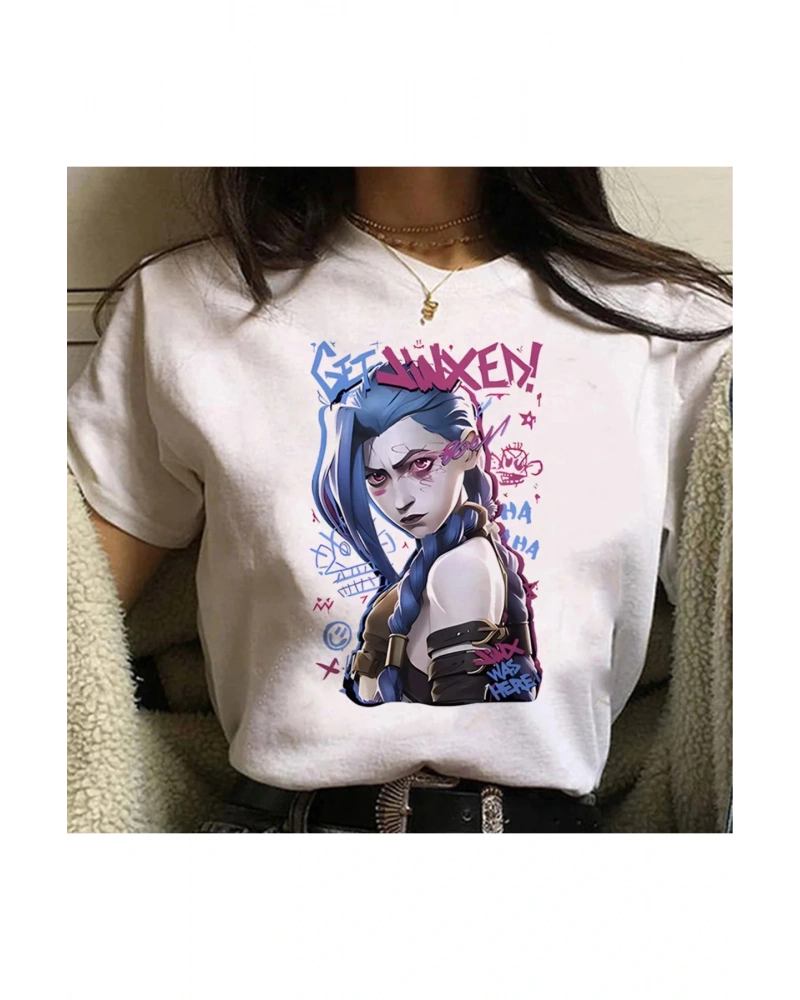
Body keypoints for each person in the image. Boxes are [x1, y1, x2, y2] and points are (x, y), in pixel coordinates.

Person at [65, 167, 734, 833]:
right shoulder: (189, 304)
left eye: (418, 465)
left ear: (467, 451)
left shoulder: (669, 327)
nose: (399, 498)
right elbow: (73, 614)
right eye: (376, 477)